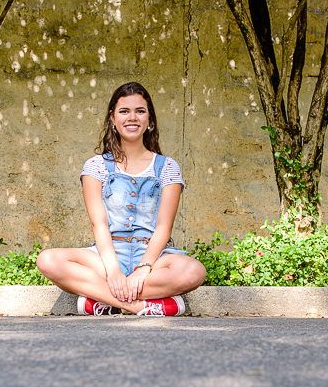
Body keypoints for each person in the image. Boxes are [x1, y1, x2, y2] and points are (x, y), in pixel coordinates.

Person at [37, 82, 207, 315]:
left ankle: (102, 301)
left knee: (193, 271)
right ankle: (141, 306)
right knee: (48, 260)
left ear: (149, 119)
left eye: (140, 111)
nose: (132, 118)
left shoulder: (167, 167)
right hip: (107, 256)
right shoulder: (96, 166)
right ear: (113, 118)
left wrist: (144, 267)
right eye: (124, 111)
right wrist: (114, 271)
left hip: (154, 258)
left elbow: (163, 226)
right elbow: (99, 224)